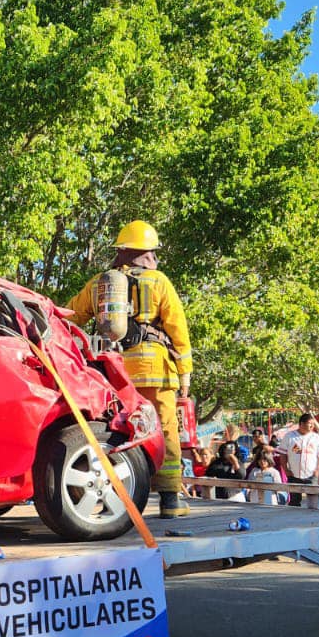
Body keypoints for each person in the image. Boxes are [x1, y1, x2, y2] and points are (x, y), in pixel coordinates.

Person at [64, 220, 194, 518]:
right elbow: (178, 329)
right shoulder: (159, 281)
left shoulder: (101, 283)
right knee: (165, 430)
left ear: (121, 250)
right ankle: (171, 501)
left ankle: (120, 493)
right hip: (155, 369)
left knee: (120, 428)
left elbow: (72, 316)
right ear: (147, 251)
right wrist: (184, 370)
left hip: (116, 370)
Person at [283, 412, 319, 507]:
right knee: (294, 501)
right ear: (301, 423)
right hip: (294, 474)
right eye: (309, 423)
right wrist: (286, 470)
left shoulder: (315, 437)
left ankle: (313, 520)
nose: (312, 425)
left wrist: (317, 470)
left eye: (313, 424)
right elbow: (283, 454)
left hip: (311, 475)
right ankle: (295, 520)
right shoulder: (289, 436)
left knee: (313, 501)